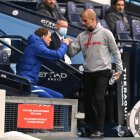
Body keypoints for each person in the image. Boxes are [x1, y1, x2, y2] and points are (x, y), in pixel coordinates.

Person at [68, 9, 123, 138]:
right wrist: (66, 44)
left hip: (102, 72)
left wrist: (119, 70)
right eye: (82, 20)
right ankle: (93, 126)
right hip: (88, 72)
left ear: (93, 19)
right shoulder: (81, 36)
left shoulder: (106, 33)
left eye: (85, 20)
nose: (83, 23)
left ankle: (100, 129)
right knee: (87, 102)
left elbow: (115, 52)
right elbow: (71, 53)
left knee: (99, 98)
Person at [16, 27, 71, 98]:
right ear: (43, 36)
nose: (51, 40)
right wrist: (65, 44)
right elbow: (57, 55)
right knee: (52, 100)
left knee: (60, 97)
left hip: (30, 83)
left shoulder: (36, 45)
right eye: (49, 37)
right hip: (25, 83)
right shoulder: (36, 46)